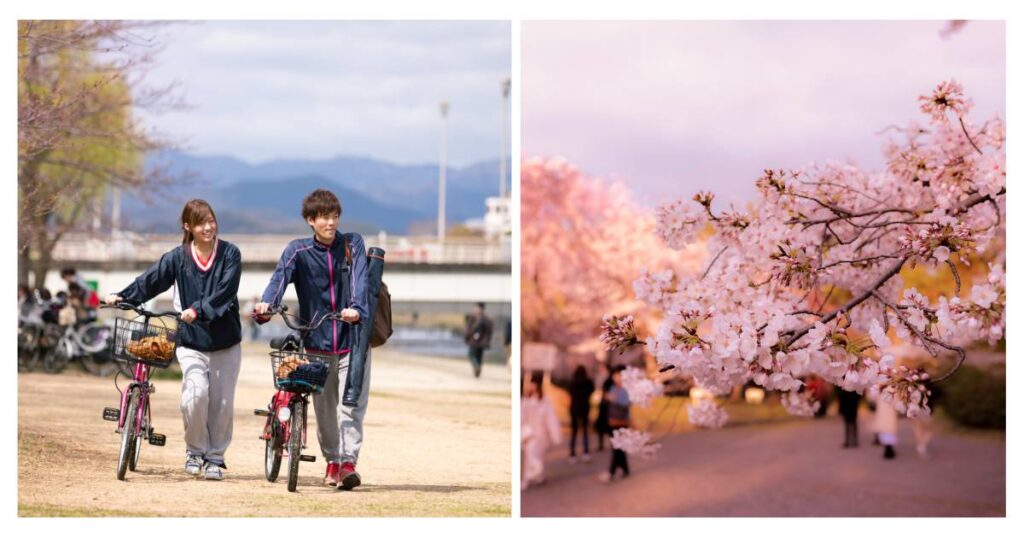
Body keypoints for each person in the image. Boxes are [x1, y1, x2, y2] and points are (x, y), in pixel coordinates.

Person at [105, 199, 242, 480]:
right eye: (201, 223)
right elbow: (151, 281)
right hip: (191, 341)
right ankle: (194, 451)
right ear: (188, 227)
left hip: (226, 341)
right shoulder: (177, 258)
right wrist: (123, 296)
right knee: (195, 396)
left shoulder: (230, 254)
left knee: (222, 403)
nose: (208, 227)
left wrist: (198, 309)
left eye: (211, 221)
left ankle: (215, 458)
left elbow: (225, 292)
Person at [254, 189, 370, 490]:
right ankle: (332, 461)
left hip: (352, 339)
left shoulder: (352, 244)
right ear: (310, 220)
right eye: (324, 218)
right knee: (324, 408)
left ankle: (347, 464)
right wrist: (267, 306)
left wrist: (356, 309)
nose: (331, 223)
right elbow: (279, 279)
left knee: (351, 405)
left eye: (335, 216)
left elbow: (360, 279)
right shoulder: (298, 251)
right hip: (316, 342)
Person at [521, 371, 561, 491]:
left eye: (534, 384)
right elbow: (521, 416)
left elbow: (551, 418)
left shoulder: (545, 400)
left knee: (537, 457)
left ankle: (538, 477)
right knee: (530, 457)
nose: (532, 387)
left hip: (541, 434)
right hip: (529, 434)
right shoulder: (526, 400)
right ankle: (526, 479)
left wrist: (555, 435)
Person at [600, 366, 631, 482]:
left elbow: (626, 403)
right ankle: (625, 469)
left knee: (617, 447)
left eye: (619, 375)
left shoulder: (626, 389)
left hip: (622, 422)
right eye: (615, 376)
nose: (617, 378)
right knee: (619, 447)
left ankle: (611, 472)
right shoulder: (613, 388)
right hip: (612, 421)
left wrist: (614, 399)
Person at [568, 365, 595, 463]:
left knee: (574, 432)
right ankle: (586, 452)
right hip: (585, 408)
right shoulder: (588, 382)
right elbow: (592, 391)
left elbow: (570, 392)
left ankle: (572, 454)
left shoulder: (572, 382)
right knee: (585, 431)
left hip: (574, 408)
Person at [463, 302, 493, 378]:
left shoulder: (484, 320)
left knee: (473, 356)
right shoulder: (472, 318)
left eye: (478, 308)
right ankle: (477, 369)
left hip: (477, 342)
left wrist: (487, 341)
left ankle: (477, 368)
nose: (477, 310)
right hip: (475, 341)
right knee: (474, 356)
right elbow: (467, 329)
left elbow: (488, 332)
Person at [594, 365, 613, 451]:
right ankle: (608, 443)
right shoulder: (604, 379)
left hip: (607, 406)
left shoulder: (608, 381)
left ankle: (609, 443)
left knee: (608, 426)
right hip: (605, 405)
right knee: (605, 426)